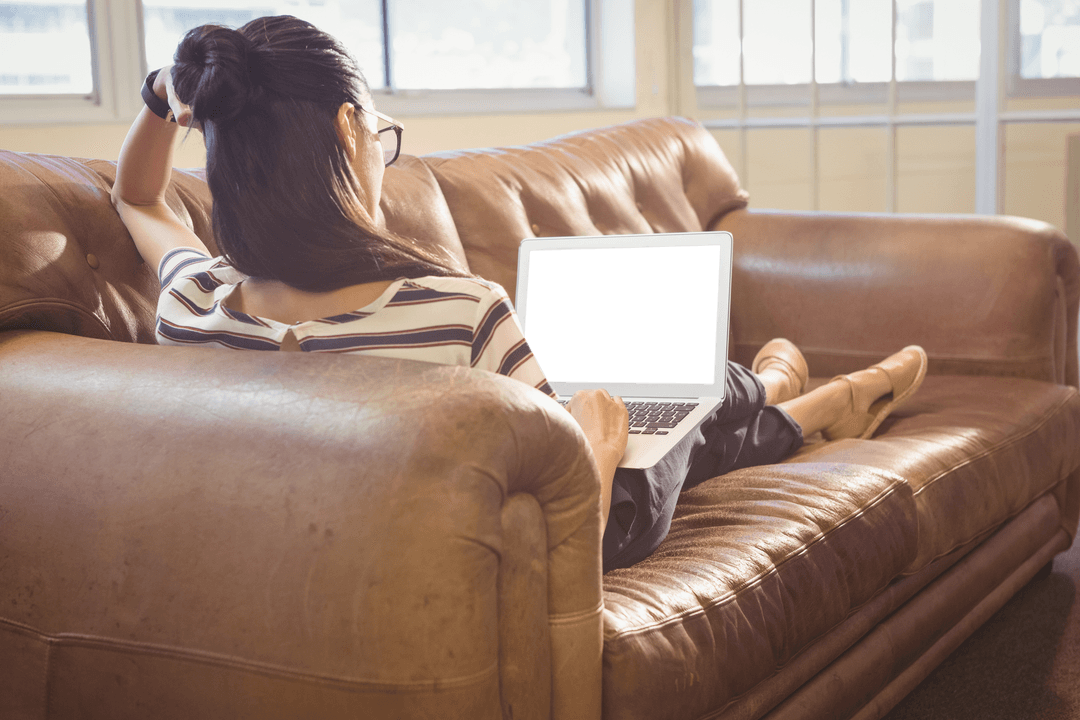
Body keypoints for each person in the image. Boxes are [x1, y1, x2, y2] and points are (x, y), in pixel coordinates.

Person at [112, 15, 927, 572]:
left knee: (672, 409)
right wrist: (602, 440)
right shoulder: (458, 312)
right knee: (669, 397)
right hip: (596, 520)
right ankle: (785, 392)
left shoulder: (194, 308)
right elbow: (572, 524)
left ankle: (798, 403)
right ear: (347, 131)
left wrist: (165, 93)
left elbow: (138, 198)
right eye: (377, 141)